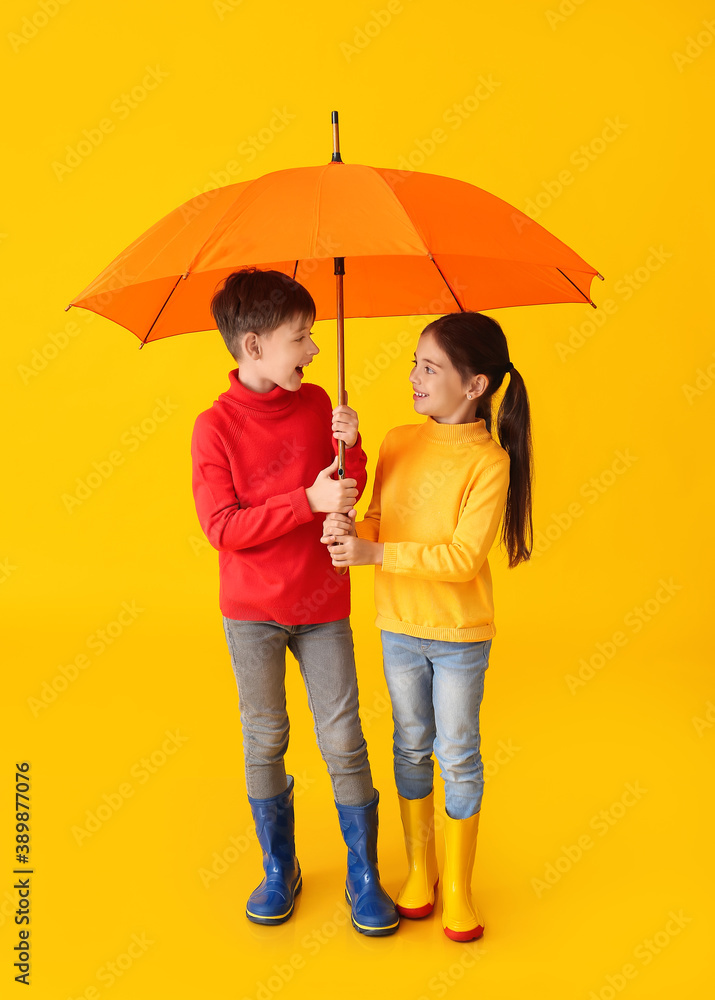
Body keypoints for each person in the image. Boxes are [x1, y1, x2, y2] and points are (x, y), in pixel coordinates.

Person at [191, 267, 398, 936]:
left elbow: (346, 485)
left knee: (342, 736)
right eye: (299, 338)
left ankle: (363, 871)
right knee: (266, 736)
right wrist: (303, 501)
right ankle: (279, 865)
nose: (311, 351)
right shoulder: (213, 428)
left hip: (321, 603)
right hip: (250, 612)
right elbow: (222, 528)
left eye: (312, 336)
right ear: (252, 347)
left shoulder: (317, 407)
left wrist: (351, 454)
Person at [321, 311, 533, 941]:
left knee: (457, 754)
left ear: (476, 386)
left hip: (460, 636)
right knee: (410, 743)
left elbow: (463, 560)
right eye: (414, 363)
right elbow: (379, 521)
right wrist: (348, 529)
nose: (413, 376)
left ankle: (460, 888)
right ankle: (421, 869)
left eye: (430, 367)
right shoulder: (394, 440)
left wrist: (375, 553)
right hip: (398, 626)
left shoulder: (490, 463)